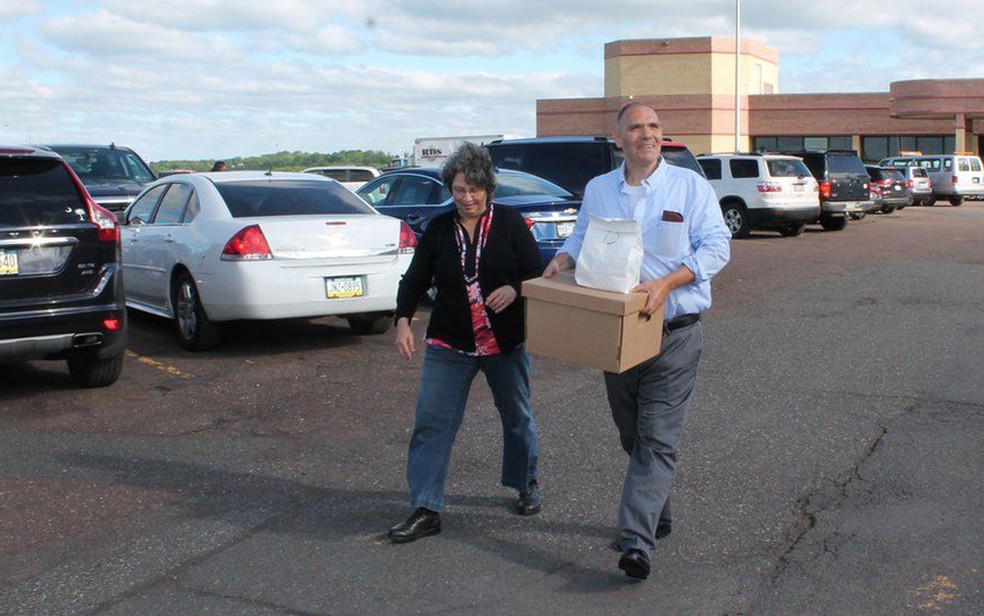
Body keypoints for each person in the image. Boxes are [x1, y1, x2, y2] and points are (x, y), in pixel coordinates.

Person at [543, 102, 731, 579]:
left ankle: (635, 542)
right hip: (617, 331)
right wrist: (562, 261)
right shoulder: (600, 189)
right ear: (619, 137)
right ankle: (656, 513)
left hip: (675, 331)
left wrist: (667, 284)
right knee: (632, 432)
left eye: (654, 126)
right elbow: (582, 236)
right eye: (636, 127)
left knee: (657, 437)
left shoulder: (689, 186)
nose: (647, 134)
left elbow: (716, 246)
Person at [388, 142, 543, 544]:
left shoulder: (510, 223)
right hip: (450, 342)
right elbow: (415, 279)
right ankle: (426, 507)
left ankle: (525, 482)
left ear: (488, 188)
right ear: (450, 190)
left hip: (503, 343)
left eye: (474, 190)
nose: (467, 198)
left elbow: (536, 272)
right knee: (432, 423)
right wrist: (403, 320)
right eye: (459, 190)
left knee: (517, 416)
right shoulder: (439, 229)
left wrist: (514, 288)